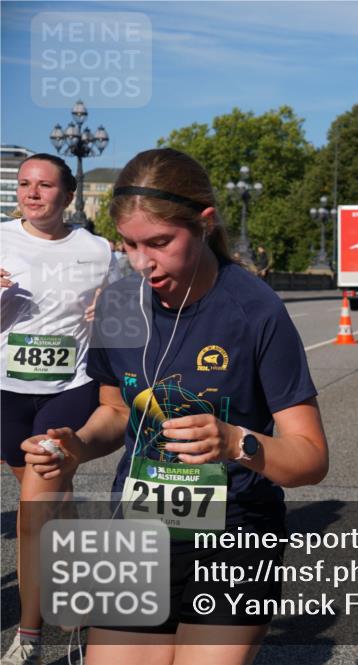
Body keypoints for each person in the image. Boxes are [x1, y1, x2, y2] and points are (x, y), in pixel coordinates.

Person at [20, 148, 329, 664]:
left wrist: (234, 441)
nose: (143, 263)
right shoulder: (119, 304)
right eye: (130, 245)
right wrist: (75, 447)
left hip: (236, 538)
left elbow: (311, 459)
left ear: (205, 224)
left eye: (160, 243)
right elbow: (118, 413)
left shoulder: (256, 310)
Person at [1, 154, 119, 665]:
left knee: (35, 511)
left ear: (67, 195)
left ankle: (29, 635)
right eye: (25, 184)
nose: (32, 193)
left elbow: (125, 313)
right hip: (6, 389)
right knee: (50, 499)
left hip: (69, 385)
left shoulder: (98, 250)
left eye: (45, 185)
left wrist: (107, 311)